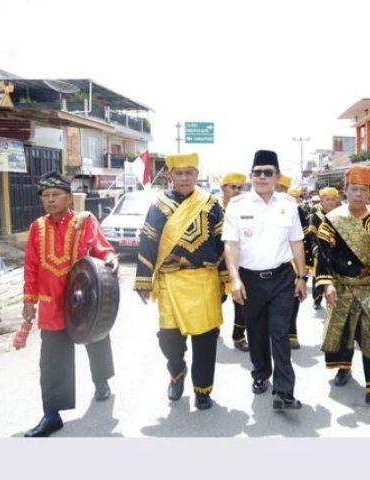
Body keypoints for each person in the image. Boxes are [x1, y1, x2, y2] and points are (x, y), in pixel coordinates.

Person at [20, 171, 119, 437]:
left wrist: (111, 259)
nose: (50, 200)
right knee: (51, 360)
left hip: (86, 298)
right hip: (52, 303)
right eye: (45, 196)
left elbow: (102, 248)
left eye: (56, 195)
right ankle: (52, 414)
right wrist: (29, 302)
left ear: (68, 198)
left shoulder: (84, 221)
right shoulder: (36, 228)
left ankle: (101, 380)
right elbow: (30, 267)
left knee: (97, 340)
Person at [133, 153, 226, 411]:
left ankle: (203, 390)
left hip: (203, 281)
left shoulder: (211, 204)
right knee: (169, 339)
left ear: (197, 174)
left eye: (189, 173)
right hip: (170, 283)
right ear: (170, 175)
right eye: (179, 173)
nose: (184, 178)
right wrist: (143, 278)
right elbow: (148, 240)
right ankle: (177, 372)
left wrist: (225, 279)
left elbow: (222, 243)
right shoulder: (160, 204)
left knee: (205, 341)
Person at [222, 150, 307, 410]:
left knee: (279, 332)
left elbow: (297, 243)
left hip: (282, 277)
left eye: (267, 172)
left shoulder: (289, 206)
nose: (262, 177)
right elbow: (231, 245)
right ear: (251, 176)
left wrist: (302, 277)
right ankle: (260, 374)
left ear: (277, 176)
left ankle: (284, 391)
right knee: (256, 332)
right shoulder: (237, 206)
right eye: (257, 172)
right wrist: (235, 279)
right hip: (250, 279)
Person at [316, 166, 370, 406]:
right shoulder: (333, 220)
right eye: (353, 189)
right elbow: (324, 255)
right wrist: (326, 284)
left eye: (363, 190)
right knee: (344, 332)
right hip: (342, 287)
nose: (358, 194)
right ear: (345, 192)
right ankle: (343, 368)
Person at [279, 177, 312, 349]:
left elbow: (304, 240)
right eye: (277, 187)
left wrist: (304, 271)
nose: (279, 191)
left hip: (291, 263)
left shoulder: (295, 209)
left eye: (282, 187)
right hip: (263, 267)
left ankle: (291, 333)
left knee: (293, 300)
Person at [219, 172, 249, 353]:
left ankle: (239, 336)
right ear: (223, 188)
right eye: (233, 187)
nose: (237, 191)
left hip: (241, 263)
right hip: (217, 264)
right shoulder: (213, 208)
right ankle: (211, 327)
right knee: (217, 300)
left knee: (241, 301)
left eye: (240, 187)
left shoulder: (247, 209)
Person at [308, 186, 340, 311]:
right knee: (318, 276)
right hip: (320, 252)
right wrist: (315, 249)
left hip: (336, 253)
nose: (330, 202)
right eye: (327, 199)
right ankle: (317, 300)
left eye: (333, 199)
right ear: (321, 201)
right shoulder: (316, 217)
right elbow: (311, 236)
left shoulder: (340, 215)